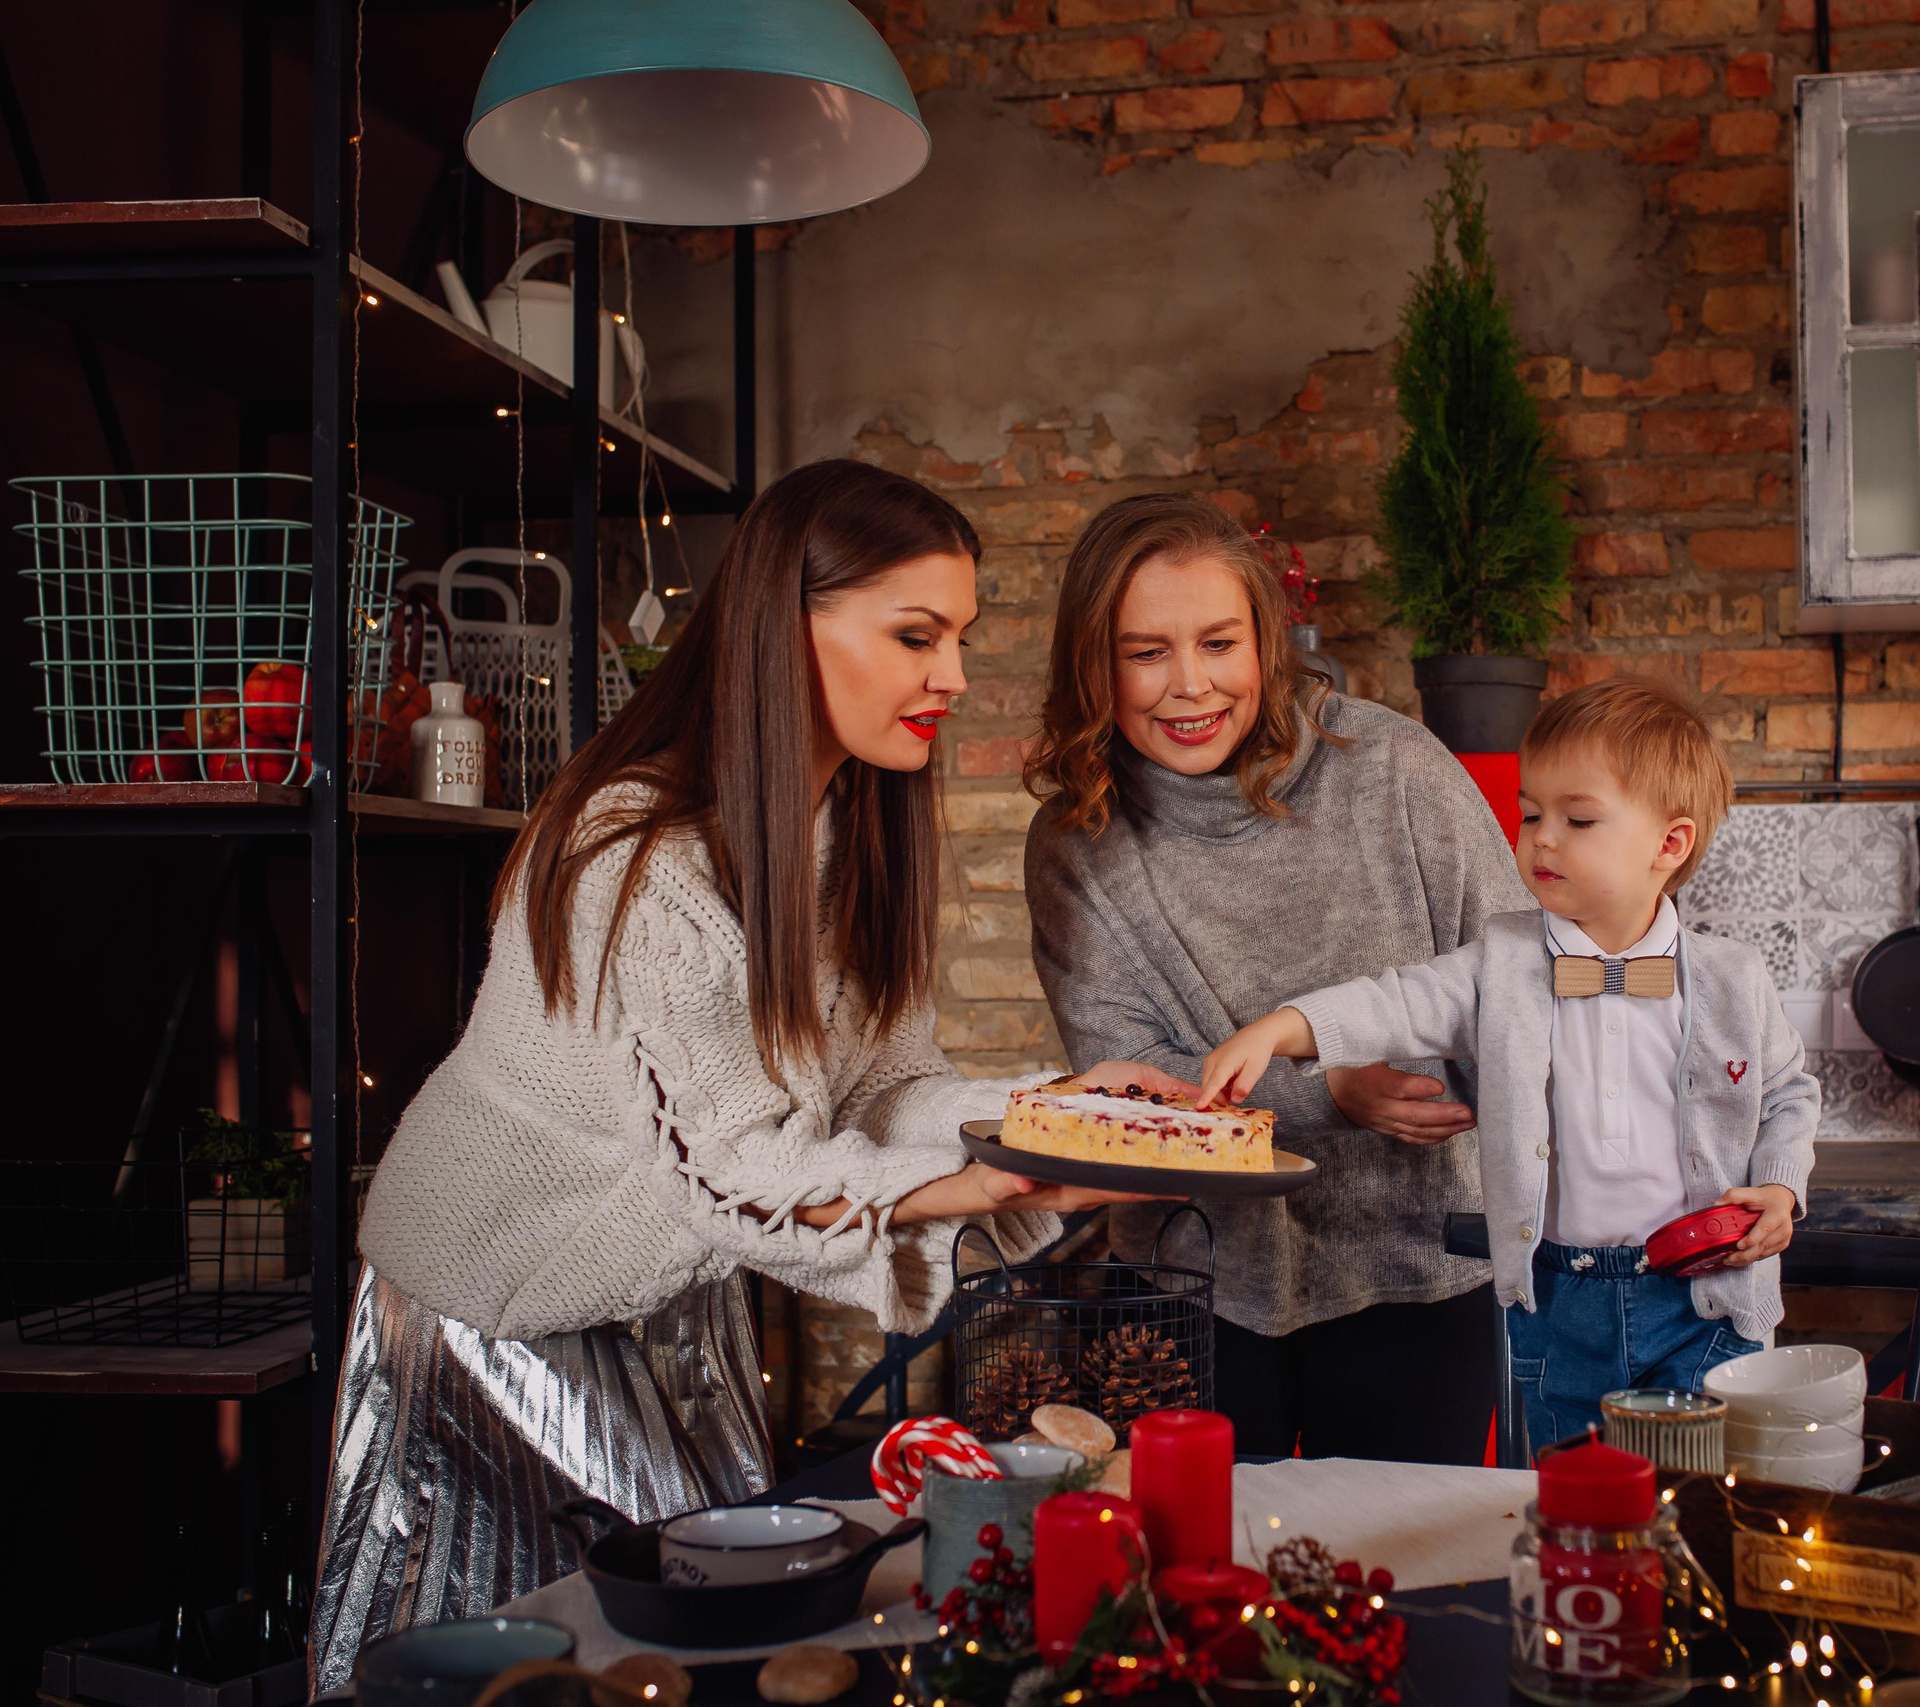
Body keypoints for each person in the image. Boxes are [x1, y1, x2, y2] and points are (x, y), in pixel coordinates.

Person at [309, 460, 1175, 1689]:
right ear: (788, 625)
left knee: (718, 1650)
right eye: (917, 635)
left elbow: (882, 1090)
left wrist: (1053, 1117)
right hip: (499, 1315)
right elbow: (722, 1167)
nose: (955, 677)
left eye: (960, 638)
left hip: (669, 1300)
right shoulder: (634, 851)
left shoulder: (847, 832)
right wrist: (983, 1186)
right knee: (551, 1673)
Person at [1023, 494, 1523, 1464]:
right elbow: (1128, 1079)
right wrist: (1327, 1089)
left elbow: (1510, 978)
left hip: (1415, 1267)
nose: (1189, 686)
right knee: (1199, 1589)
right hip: (1191, 1285)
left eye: (1218, 644)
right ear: (1094, 664)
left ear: (1267, 643)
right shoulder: (1077, 842)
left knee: (1408, 1585)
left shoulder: (1394, 770)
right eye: (1144, 652)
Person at [1198, 677, 1819, 1454]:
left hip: (1705, 1298)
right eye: (1531, 814)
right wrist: (1283, 1028)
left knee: (1699, 1503)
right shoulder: (1505, 961)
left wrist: (1784, 1186)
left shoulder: (1735, 977)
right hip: (1560, 1301)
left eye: (1578, 818)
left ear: (1671, 843)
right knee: (1571, 1497)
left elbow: (1791, 1092)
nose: (1542, 838)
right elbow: (1398, 1000)